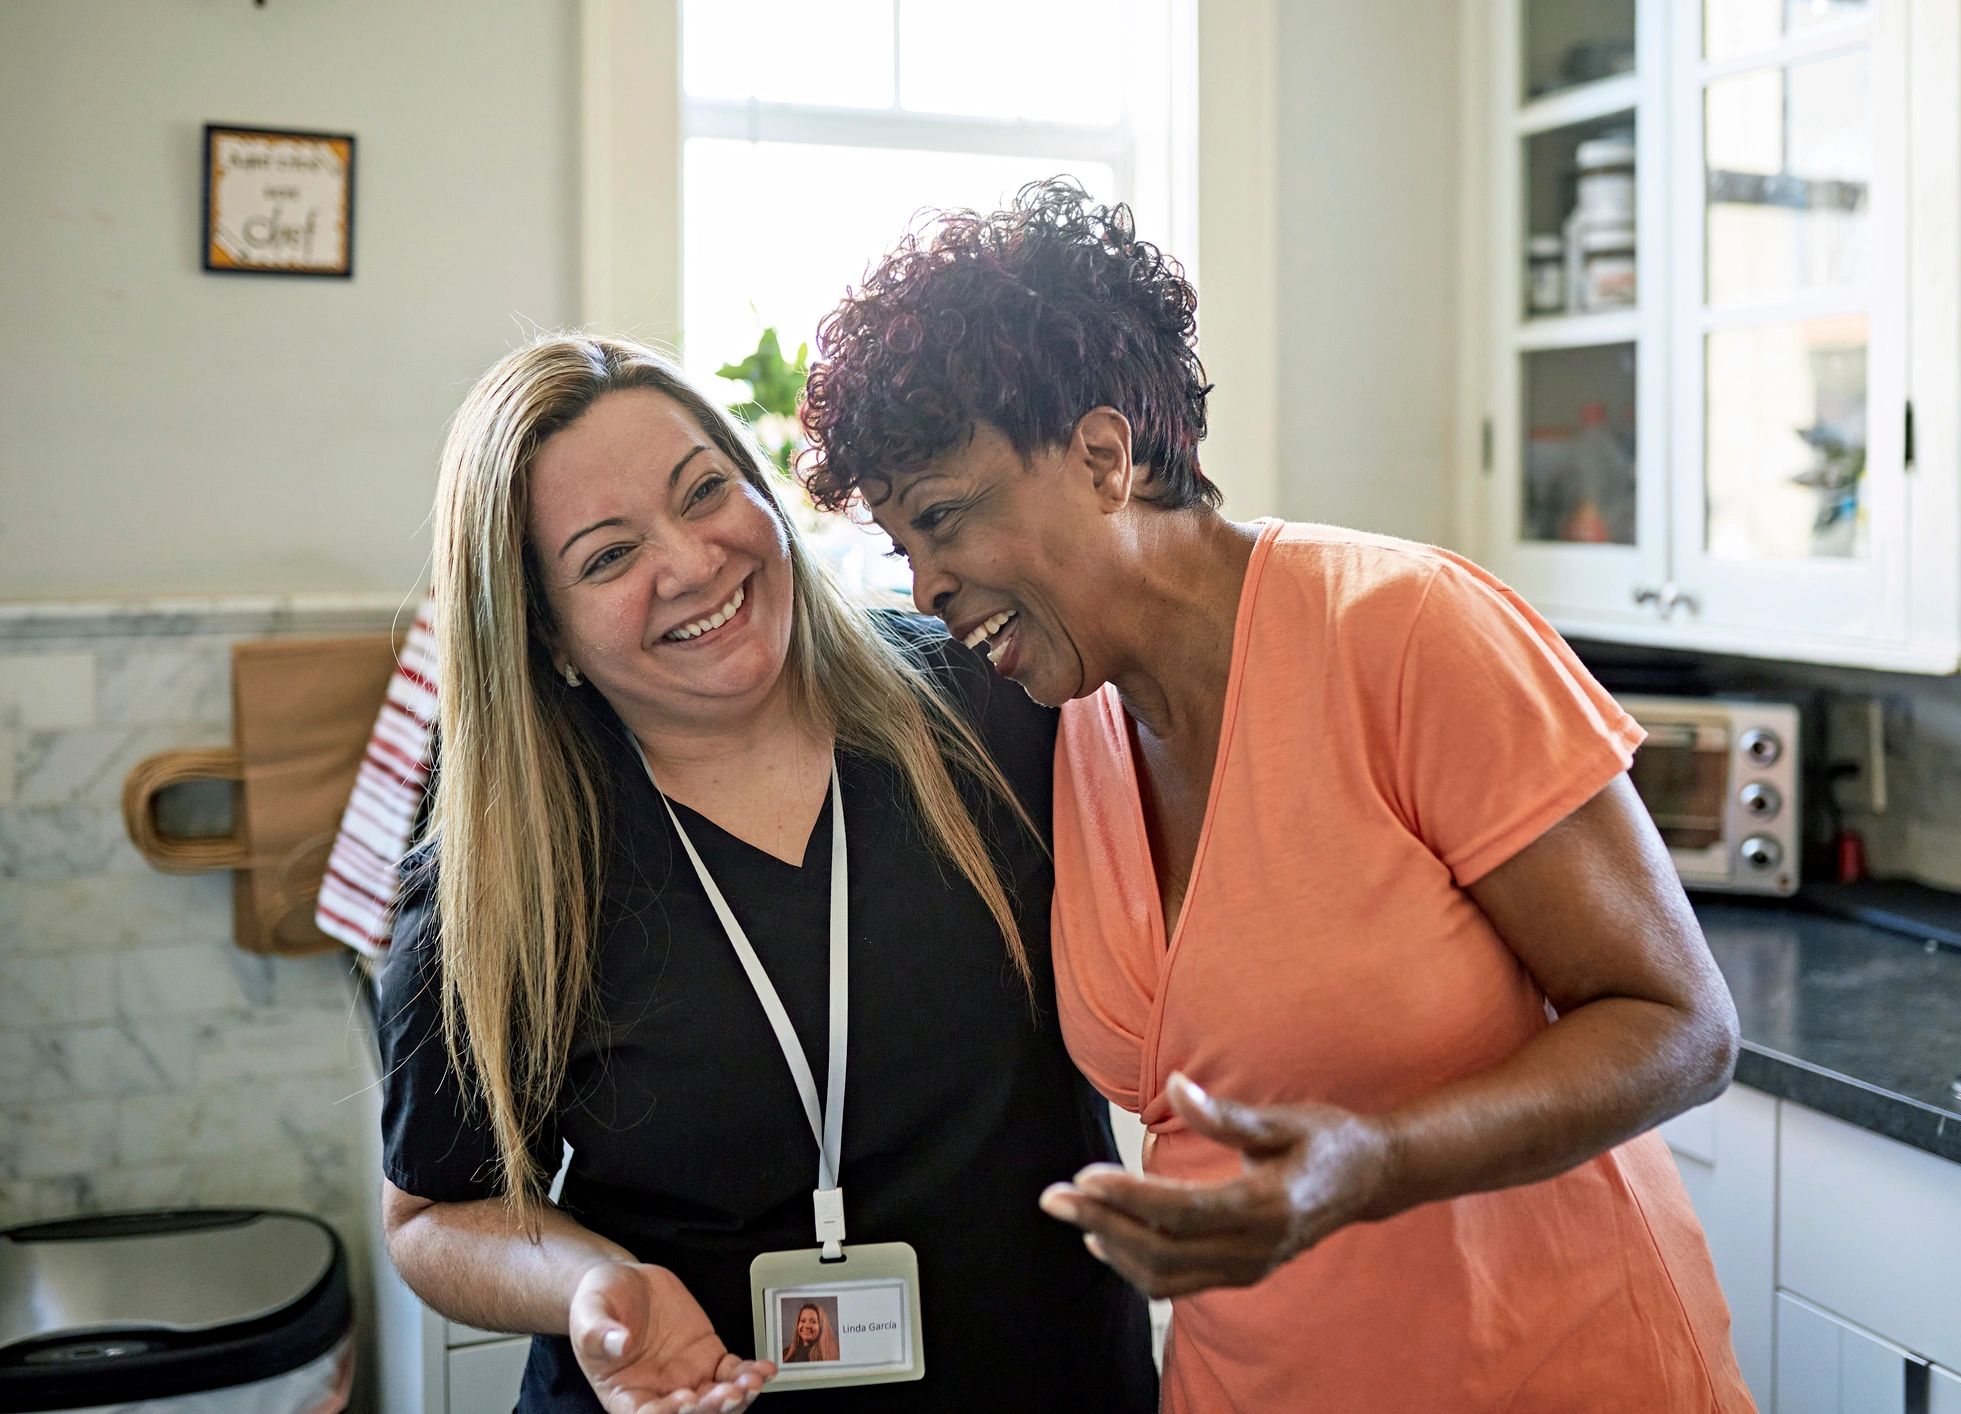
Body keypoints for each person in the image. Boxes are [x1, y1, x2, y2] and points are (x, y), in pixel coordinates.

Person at [799, 179, 1756, 1412]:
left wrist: (1375, 1163)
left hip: (1551, 1366)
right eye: (901, 547)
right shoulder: (1064, 720)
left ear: (1103, 455)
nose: (927, 586)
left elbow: (1682, 1024)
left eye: (941, 520)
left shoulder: (1403, 630)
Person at [376, 333, 1158, 1413]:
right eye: (607, 556)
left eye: (706, 492)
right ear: (543, 632)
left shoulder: (993, 704)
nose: (693, 563)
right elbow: (429, 1217)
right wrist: (590, 1283)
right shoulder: (504, 866)